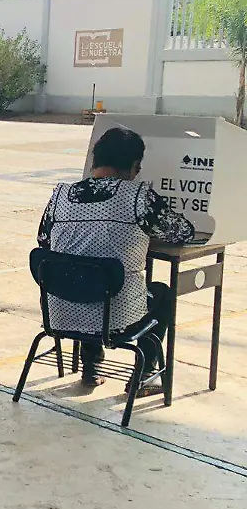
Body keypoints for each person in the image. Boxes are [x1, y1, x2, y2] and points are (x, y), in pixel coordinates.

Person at [38, 127, 196, 388]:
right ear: (134, 166)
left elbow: (44, 240)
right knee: (161, 293)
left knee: (84, 278)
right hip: (117, 318)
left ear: (95, 160)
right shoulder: (139, 197)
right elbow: (183, 232)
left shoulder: (60, 196)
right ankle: (145, 375)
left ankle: (91, 366)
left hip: (59, 312)